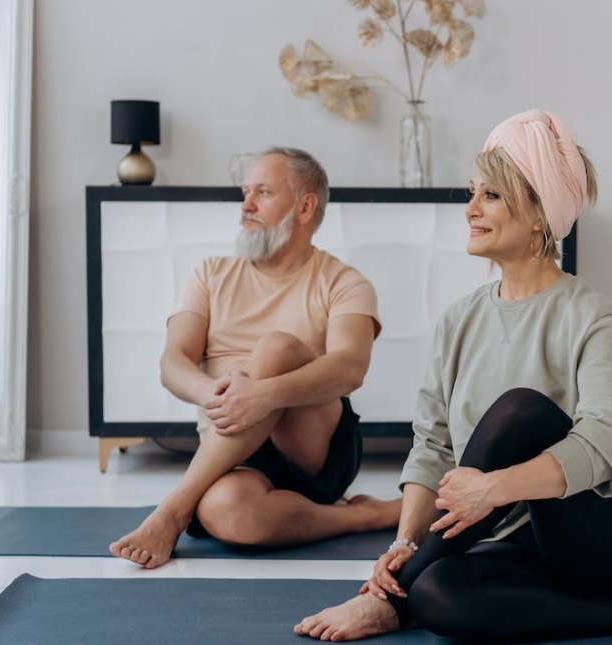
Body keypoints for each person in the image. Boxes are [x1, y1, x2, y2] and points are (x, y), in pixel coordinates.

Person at [295, 111, 612, 642]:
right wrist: (404, 545)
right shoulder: (458, 321)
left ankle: (386, 598)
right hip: (521, 540)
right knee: (437, 597)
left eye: (491, 196)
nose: (471, 209)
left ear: (540, 212)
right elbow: (433, 446)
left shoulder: (594, 316)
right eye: (473, 193)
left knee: (519, 411)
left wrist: (494, 489)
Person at [110, 147, 401, 569]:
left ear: (305, 206)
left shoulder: (345, 282)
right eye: (246, 192)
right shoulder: (209, 274)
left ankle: (172, 509)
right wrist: (215, 394)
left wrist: (264, 395)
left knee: (277, 347)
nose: (246, 205)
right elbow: (172, 362)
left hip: (314, 447)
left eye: (262, 192)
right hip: (233, 445)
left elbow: (350, 367)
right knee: (226, 513)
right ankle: (362, 515)